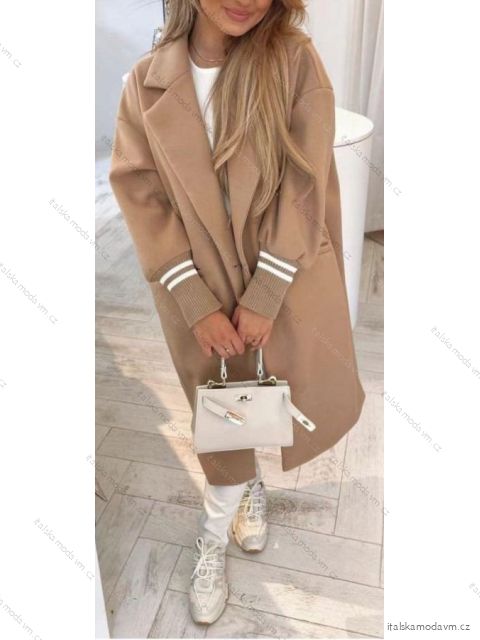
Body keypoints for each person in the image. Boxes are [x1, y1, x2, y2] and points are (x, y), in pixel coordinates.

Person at [109, 0, 365, 625]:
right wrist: (194, 300)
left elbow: (306, 181)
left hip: (282, 270)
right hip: (193, 280)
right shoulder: (146, 81)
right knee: (221, 413)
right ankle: (214, 534)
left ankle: (243, 492)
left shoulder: (293, 60)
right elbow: (141, 193)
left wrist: (266, 292)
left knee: (274, 393)